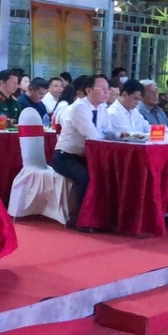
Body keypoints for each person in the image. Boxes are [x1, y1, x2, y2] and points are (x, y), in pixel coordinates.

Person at [51, 74, 110, 228]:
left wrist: (120, 135)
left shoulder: (102, 108)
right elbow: (92, 136)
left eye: (108, 89)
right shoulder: (79, 107)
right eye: (102, 89)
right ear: (89, 90)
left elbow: (107, 131)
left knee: (107, 174)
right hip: (66, 157)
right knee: (87, 177)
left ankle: (104, 217)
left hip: (86, 157)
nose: (107, 92)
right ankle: (82, 219)